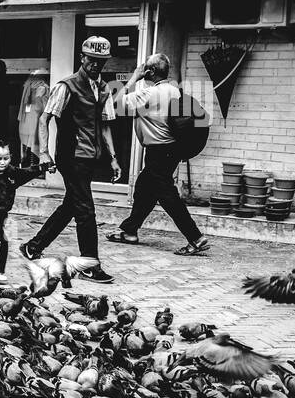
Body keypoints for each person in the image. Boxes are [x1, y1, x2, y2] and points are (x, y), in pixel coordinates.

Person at [20, 36, 120, 283]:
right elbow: (45, 118)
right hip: (71, 156)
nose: (96, 65)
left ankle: (33, 246)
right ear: (82, 57)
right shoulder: (67, 86)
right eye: (92, 59)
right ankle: (89, 265)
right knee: (86, 211)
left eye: (101, 61)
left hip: (89, 158)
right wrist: (44, 152)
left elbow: (105, 125)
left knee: (72, 205)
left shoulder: (104, 89)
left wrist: (114, 158)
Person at [106, 53, 209, 255]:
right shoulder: (175, 91)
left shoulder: (149, 94)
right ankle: (129, 230)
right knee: (144, 189)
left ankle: (195, 237)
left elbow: (115, 105)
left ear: (150, 72)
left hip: (158, 152)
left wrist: (134, 77)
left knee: (167, 196)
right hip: (172, 150)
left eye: (145, 69)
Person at [0, 144, 53, 284]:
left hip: (2, 215)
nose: (3, 162)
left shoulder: (11, 173)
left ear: (10, 158)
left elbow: (27, 172)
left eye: (6, 158)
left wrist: (43, 167)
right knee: (0, 241)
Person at [17, 69, 49, 167]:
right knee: (34, 142)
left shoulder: (28, 86)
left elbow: (26, 104)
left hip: (26, 117)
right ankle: (32, 164)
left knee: (27, 143)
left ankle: (25, 163)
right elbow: (42, 106)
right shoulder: (42, 87)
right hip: (35, 117)